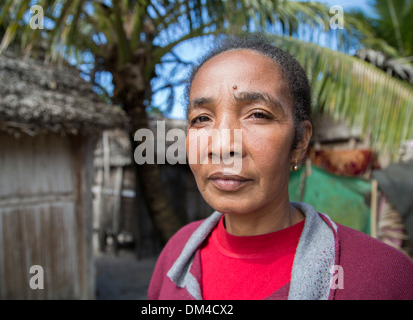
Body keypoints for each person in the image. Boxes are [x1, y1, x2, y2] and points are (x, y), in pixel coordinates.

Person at [148, 33, 413, 300]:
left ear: (299, 142)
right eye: (202, 118)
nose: (221, 146)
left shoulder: (383, 278)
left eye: (258, 115)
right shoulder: (177, 254)